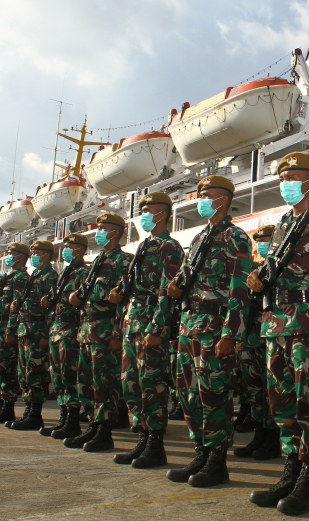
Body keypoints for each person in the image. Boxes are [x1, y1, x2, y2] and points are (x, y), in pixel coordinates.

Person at [247, 151, 309, 516]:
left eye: (293, 176)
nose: (285, 182)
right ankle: (290, 471)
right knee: (283, 403)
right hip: (277, 325)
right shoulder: (285, 223)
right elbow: (274, 273)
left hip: (307, 324)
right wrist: (258, 282)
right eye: (282, 176)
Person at [164, 176, 251, 487]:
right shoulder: (200, 238)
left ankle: (217, 461)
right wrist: (174, 287)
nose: (201, 199)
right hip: (189, 325)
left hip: (215, 328)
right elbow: (184, 279)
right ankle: (201, 452)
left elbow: (239, 289)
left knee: (214, 394)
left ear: (223, 200)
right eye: (200, 194)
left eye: (208, 195)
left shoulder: (236, 238)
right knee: (188, 393)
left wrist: (231, 334)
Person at [111, 192, 184, 469]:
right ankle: (142, 437)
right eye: (142, 210)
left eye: (149, 210)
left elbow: (168, 290)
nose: (143, 214)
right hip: (133, 320)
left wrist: (157, 328)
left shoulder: (169, 247)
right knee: (132, 382)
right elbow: (131, 286)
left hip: (150, 322)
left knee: (152, 384)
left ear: (162, 214)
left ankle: (155, 444)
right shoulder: (145, 246)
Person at [65, 213, 131, 453]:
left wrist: (116, 333)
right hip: (88, 329)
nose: (99, 231)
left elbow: (123, 301)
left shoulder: (123, 261)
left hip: (105, 330)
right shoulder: (97, 261)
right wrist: (76, 296)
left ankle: (104, 431)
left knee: (105, 382)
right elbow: (85, 292)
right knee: (87, 381)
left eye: (103, 228)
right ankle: (93, 424)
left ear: (116, 231)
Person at [234, 224, 282, 461]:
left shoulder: (278, 268)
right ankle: (260, 433)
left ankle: (272, 438)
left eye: (265, 239)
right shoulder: (257, 269)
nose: (260, 243)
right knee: (254, 389)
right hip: (253, 337)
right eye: (258, 240)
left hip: (270, 336)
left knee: (270, 389)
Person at [41, 233, 90, 439]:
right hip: (57, 330)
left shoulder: (84, 273)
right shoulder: (65, 274)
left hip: (71, 331)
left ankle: (72, 421)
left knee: (71, 377)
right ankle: (63, 418)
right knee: (58, 376)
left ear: (81, 249)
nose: (66, 250)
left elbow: (83, 302)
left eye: (70, 246)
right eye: (65, 246)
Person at [8, 240, 59, 431]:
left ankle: (35, 414)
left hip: (38, 331)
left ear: (46, 255)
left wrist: (46, 333)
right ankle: (28, 411)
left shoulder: (50, 277)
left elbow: (51, 308)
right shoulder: (35, 275)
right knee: (25, 373)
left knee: (35, 373)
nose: (34, 256)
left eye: (37, 252)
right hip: (26, 329)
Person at [0, 244, 32, 426]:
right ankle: (2, 404)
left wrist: (10, 330)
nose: (8, 256)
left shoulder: (21, 278)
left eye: (11, 254)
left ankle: (8, 407)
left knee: (7, 370)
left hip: (7, 330)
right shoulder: (10, 277)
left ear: (20, 256)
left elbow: (16, 307)